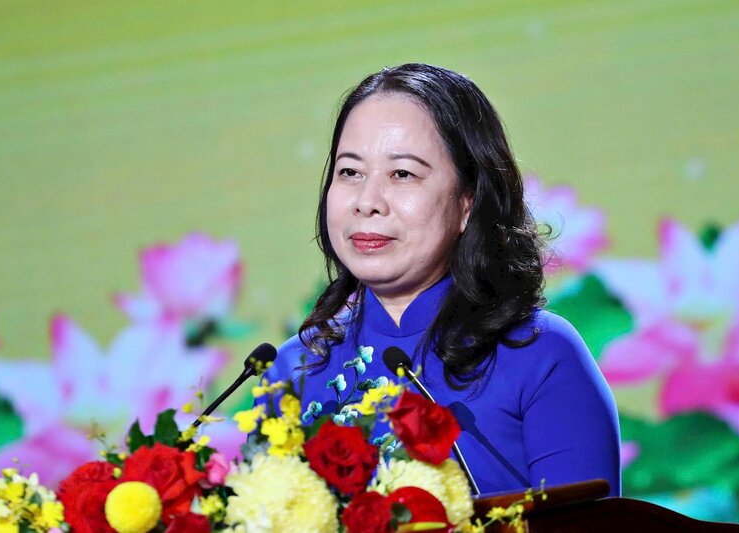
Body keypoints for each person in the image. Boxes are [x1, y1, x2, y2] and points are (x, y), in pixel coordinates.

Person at [263, 63, 621, 496]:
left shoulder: (541, 355)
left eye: (402, 174)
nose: (367, 202)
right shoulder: (293, 370)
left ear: (468, 203)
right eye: (350, 172)